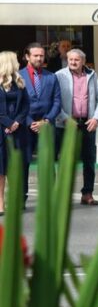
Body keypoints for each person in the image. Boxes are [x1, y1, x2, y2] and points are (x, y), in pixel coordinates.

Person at [55, 49, 98, 206]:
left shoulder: (92, 75)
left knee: (89, 160)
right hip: (67, 124)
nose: (73, 62)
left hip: (87, 124)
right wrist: (64, 118)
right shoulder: (59, 75)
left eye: (76, 60)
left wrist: (96, 118)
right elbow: (54, 100)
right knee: (66, 161)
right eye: (70, 59)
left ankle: (87, 193)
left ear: (83, 61)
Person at [19, 42, 63, 200]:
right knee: (23, 163)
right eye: (35, 55)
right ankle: (21, 197)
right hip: (25, 126)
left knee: (48, 163)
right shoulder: (17, 76)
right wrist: (29, 122)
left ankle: (49, 198)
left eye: (41, 56)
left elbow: (57, 102)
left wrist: (46, 120)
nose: (39, 58)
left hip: (47, 126)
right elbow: (16, 104)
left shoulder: (51, 77)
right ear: (27, 57)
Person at [0, 51, 30, 215]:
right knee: (1, 168)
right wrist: (8, 123)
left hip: (18, 131)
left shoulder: (19, 82)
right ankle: (0, 203)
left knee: (16, 166)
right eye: (16, 60)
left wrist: (16, 122)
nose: (18, 63)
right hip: (1, 131)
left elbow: (26, 105)